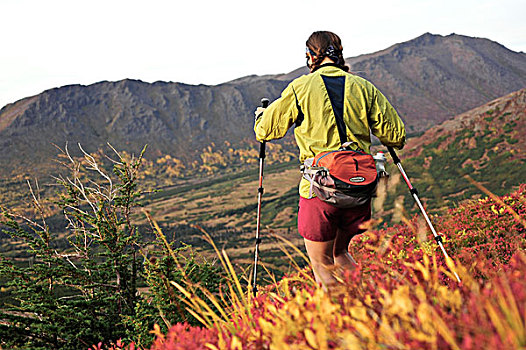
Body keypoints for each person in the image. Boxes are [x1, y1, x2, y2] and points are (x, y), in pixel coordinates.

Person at [254, 31, 406, 289]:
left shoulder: (300, 87)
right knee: (339, 253)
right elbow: (396, 135)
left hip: (319, 192)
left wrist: (262, 114)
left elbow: (266, 131)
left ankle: (341, 322)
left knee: (321, 263)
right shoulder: (363, 87)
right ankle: (372, 301)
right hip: (359, 191)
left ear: (311, 56)